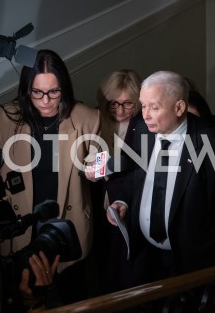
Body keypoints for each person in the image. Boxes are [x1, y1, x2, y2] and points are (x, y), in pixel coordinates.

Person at [107, 70, 215, 312]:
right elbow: (137, 176)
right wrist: (124, 201)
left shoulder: (212, 140)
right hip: (148, 256)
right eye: (142, 106)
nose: (145, 115)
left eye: (154, 107)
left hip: (194, 260)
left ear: (179, 107)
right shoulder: (142, 129)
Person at [0, 49, 100, 309]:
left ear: (64, 89)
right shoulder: (4, 117)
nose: (46, 100)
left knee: (76, 300)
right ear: (26, 90)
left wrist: (97, 170)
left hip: (68, 227)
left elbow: (100, 158)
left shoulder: (87, 117)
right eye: (37, 92)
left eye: (54, 92)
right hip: (22, 228)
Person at [90, 69, 142, 294]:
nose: (120, 111)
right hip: (97, 200)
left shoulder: (143, 124)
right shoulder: (96, 121)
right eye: (113, 104)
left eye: (127, 104)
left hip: (130, 203)